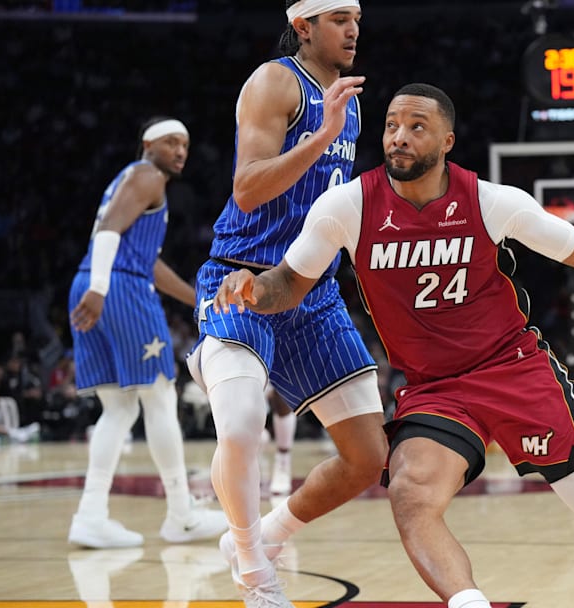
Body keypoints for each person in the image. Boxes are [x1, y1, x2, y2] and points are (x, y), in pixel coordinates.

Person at [212, 83, 574, 608]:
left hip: (515, 370)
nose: (399, 138)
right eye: (392, 125)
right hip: (435, 390)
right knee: (411, 493)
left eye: (417, 128)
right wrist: (252, 289)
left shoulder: (490, 202)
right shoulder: (346, 207)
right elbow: (288, 283)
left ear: (447, 141)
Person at [186, 1, 386, 605]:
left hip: (312, 291)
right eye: (338, 19)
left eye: (357, 19)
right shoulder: (276, 81)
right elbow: (247, 190)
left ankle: (265, 533)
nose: (353, 30)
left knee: (368, 457)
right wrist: (321, 134)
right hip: (242, 280)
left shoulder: (346, 100)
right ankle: (254, 570)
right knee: (243, 425)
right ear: (304, 26)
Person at [67, 116, 228, 549]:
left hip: (96, 280)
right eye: (171, 142)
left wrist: (195, 298)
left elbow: (143, 258)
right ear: (148, 144)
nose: (180, 152)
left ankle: (90, 515)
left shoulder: (130, 182)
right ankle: (182, 515)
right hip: (117, 288)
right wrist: (102, 289)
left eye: (185, 146)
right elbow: (108, 233)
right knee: (159, 395)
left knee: (118, 408)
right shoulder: (147, 176)